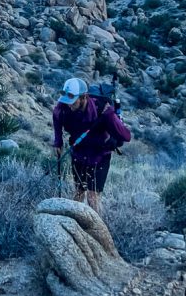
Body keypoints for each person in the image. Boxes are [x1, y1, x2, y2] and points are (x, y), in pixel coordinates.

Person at [52, 77, 131, 212]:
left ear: (83, 98)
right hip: (79, 154)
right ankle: (75, 224)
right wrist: (58, 142)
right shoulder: (62, 108)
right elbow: (56, 117)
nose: (69, 105)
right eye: (67, 101)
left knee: (93, 197)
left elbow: (126, 136)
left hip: (100, 156)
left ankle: (98, 230)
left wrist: (113, 127)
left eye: (73, 101)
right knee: (78, 192)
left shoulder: (104, 112)